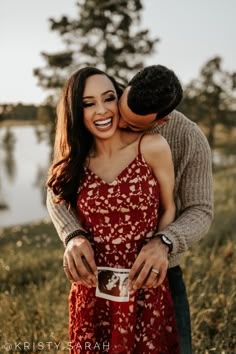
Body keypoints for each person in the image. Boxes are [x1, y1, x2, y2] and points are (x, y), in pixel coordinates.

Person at [47, 65, 214, 353]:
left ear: (160, 122)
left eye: (132, 125)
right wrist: (72, 234)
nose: (117, 123)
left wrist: (164, 242)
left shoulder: (186, 138)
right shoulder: (101, 112)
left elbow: (200, 210)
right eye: (119, 107)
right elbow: (57, 185)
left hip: (156, 271)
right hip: (97, 281)